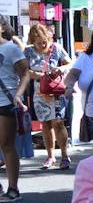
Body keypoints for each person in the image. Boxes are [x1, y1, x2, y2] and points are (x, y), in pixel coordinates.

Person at [25, 22, 72, 171]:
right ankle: (50, 156)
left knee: (58, 122)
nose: (41, 45)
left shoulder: (56, 48)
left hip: (55, 92)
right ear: (32, 41)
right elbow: (24, 70)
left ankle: (64, 156)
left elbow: (70, 63)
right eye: (38, 43)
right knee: (45, 124)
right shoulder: (28, 51)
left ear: (48, 37)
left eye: (44, 41)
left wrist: (60, 68)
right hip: (39, 92)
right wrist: (35, 74)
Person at [0, 21, 33, 202]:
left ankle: (13, 189)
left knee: (6, 144)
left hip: (6, 100)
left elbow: (25, 74)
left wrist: (19, 95)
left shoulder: (11, 48)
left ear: (2, 27)